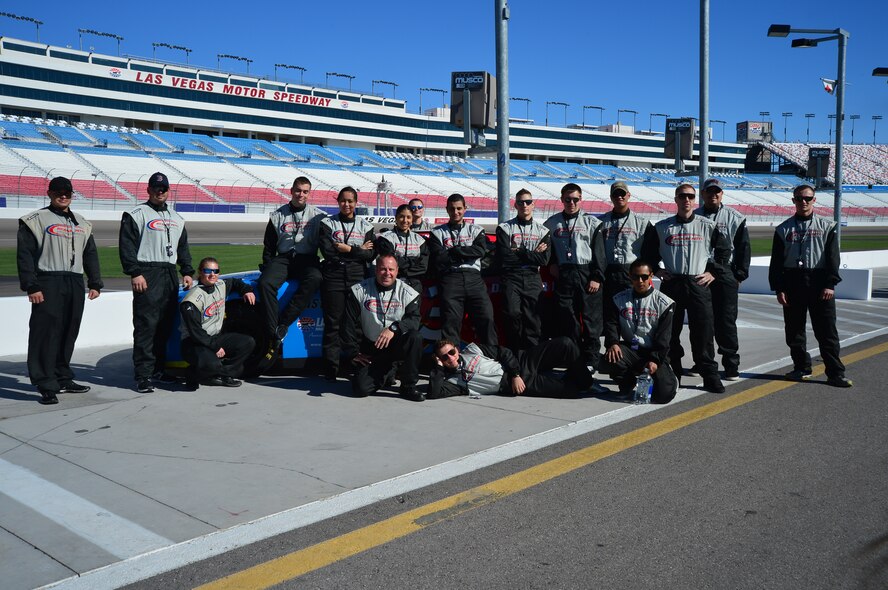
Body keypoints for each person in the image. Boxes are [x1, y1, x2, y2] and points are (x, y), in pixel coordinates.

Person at [17, 177, 103, 405]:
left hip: (74, 281)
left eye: (67, 192)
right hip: (47, 281)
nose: (63, 196)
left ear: (72, 194)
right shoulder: (35, 220)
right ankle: (45, 383)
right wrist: (31, 285)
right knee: (45, 334)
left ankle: (63, 377)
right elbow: (24, 255)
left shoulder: (83, 223)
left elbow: (90, 254)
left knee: (68, 331)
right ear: (49, 193)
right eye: (58, 192)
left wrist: (95, 282)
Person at [641, 183, 730, 394]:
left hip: (698, 284)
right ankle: (674, 374)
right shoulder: (662, 227)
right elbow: (648, 253)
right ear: (676, 199)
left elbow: (724, 252)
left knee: (704, 333)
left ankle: (710, 375)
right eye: (682, 196)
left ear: (695, 199)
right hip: (673, 284)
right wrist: (657, 270)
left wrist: (713, 272)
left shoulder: (707, 225)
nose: (686, 200)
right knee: (669, 333)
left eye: (690, 196)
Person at [768, 184, 852, 387]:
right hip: (792, 283)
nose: (803, 202)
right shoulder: (783, 229)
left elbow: (833, 258)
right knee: (794, 331)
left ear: (814, 200)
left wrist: (830, 284)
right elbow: (776, 262)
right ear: (793, 201)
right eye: (799, 198)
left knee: (826, 331)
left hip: (819, 282)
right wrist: (778, 288)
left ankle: (835, 373)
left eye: (807, 198)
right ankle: (801, 367)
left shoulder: (827, 226)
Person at [119, 172, 193, 394]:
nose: (160, 192)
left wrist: (187, 271)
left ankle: (159, 370)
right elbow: (127, 246)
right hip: (147, 273)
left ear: (168, 191)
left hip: (169, 273)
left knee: (164, 326)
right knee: (146, 327)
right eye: (156, 188)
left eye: (164, 189)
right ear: (149, 190)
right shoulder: (136, 214)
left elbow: (183, 248)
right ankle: (143, 375)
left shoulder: (177, 218)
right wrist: (135, 272)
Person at [257, 176, 325, 361]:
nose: (301, 194)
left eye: (305, 191)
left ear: (309, 194)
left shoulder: (319, 216)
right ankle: (272, 330)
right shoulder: (277, 215)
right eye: (298, 190)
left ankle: (284, 323)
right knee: (265, 283)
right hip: (284, 258)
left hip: (307, 259)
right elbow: (269, 245)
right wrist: (267, 266)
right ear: (291, 191)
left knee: (315, 278)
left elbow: (327, 243)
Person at [341, 254, 424, 401]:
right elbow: (347, 323)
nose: (387, 273)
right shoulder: (359, 290)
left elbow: (414, 320)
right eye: (382, 269)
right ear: (376, 270)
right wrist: (353, 352)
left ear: (397, 271)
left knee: (415, 337)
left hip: (397, 346)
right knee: (360, 389)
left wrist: (394, 328)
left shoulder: (409, 293)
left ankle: (408, 387)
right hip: (373, 348)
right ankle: (388, 372)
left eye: (391, 269)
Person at [544, 183, 606, 368]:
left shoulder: (593, 223)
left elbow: (600, 254)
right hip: (565, 274)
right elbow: (547, 249)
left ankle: (592, 360)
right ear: (562, 200)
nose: (571, 202)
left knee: (591, 320)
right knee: (567, 318)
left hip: (587, 273)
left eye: (575, 199)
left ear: (581, 200)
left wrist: (597, 277)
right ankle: (573, 359)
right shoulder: (551, 223)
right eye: (567, 199)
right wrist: (552, 264)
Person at [694, 178, 751, 380]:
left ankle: (731, 365)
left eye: (717, 192)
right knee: (702, 320)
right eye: (709, 192)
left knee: (726, 321)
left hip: (725, 273)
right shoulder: (694, 216)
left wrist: (738, 275)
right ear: (703, 194)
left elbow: (743, 249)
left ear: (722, 194)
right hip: (700, 270)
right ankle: (702, 360)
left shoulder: (735, 217)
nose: (713, 195)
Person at [601, 259, 678, 404]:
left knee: (663, 396)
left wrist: (655, 360)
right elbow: (611, 324)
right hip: (632, 349)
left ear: (651, 276)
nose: (640, 281)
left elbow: (664, 338)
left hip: (655, 353)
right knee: (610, 357)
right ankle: (626, 384)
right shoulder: (619, 299)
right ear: (630, 277)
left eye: (644, 276)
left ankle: (670, 378)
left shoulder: (664, 303)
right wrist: (613, 343)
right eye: (636, 277)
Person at [319, 186, 376, 380]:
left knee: (357, 325)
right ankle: (330, 370)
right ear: (338, 201)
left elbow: (371, 254)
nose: (347, 204)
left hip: (358, 277)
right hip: (333, 276)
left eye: (350, 201)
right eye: (343, 200)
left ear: (356, 203)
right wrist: (357, 250)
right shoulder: (327, 223)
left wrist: (347, 249)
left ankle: (357, 366)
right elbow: (328, 252)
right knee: (333, 325)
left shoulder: (365, 225)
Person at [428, 193, 497, 345]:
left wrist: (454, 250)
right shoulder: (437, 232)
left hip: (474, 279)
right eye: (452, 209)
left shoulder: (476, 230)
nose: (456, 212)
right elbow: (439, 259)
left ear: (465, 209)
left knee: (486, 318)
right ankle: (450, 363)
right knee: (450, 323)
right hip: (450, 279)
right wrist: (466, 253)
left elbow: (479, 251)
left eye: (459, 208)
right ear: (447, 210)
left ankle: (492, 361)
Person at [428, 336, 593, 399]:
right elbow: (434, 393)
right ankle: (570, 380)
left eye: (451, 352)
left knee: (565, 343)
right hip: (510, 384)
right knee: (572, 392)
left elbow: (503, 352)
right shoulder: (454, 382)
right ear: (440, 360)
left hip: (519, 364)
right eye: (444, 357)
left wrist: (515, 373)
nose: (450, 357)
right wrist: (438, 368)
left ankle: (586, 380)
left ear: (456, 349)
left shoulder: (472, 349)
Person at [179, 257, 256, 389]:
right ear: (200, 272)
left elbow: (235, 282)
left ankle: (225, 375)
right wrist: (215, 347)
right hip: (194, 343)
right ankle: (193, 373)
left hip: (214, 337)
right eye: (208, 270)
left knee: (248, 342)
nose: (212, 274)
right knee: (213, 364)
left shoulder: (220, 285)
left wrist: (246, 290)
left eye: (216, 271)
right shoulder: (192, 300)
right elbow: (196, 332)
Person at [495, 189, 550, 351]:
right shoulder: (505, 228)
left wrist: (520, 251)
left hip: (533, 276)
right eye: (520, 202)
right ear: (515, 205)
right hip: (511, 277)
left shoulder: (543, 231)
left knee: (534, 318)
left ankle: (533, 356)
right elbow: (504, 258)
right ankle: (515, 353)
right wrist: (533, 254)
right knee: (512, 314)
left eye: (527, 202)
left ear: (533, 205)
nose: (524, 205)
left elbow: (544, 260)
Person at [598, 181, 656, 305]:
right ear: (611, 197)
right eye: (615, 194)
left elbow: (652, 250)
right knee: (608, 311)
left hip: (632, 275)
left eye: (622, 193)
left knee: (630, 310)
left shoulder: (642, 223)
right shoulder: (600, 222)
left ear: (628, 195)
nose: (619, 196)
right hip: (607, 273)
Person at [375, 203, 429, 294]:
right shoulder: (385, 238)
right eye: (401, 217)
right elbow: (390, 264)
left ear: (412, 219)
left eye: (408, 217)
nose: (405, 220)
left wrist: (402, 265)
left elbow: (423, 267)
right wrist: (413, 261)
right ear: (396, 218)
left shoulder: (420, 240)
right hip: (392, 284)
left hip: (414, 286)